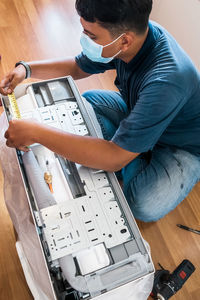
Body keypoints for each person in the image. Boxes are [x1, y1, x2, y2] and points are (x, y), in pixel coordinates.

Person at [0, 0, 200, 222]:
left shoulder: (167, 81)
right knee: (89, 101)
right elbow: (78, 66)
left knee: (143, 204)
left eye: (92, 36)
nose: (85, 40)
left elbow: (113, 159)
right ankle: (133, 146)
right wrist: (26, 69)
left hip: (180, 146)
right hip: (142, 111)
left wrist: (38, 133)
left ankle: (134, 150)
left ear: (124, 41)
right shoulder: (137, 37)